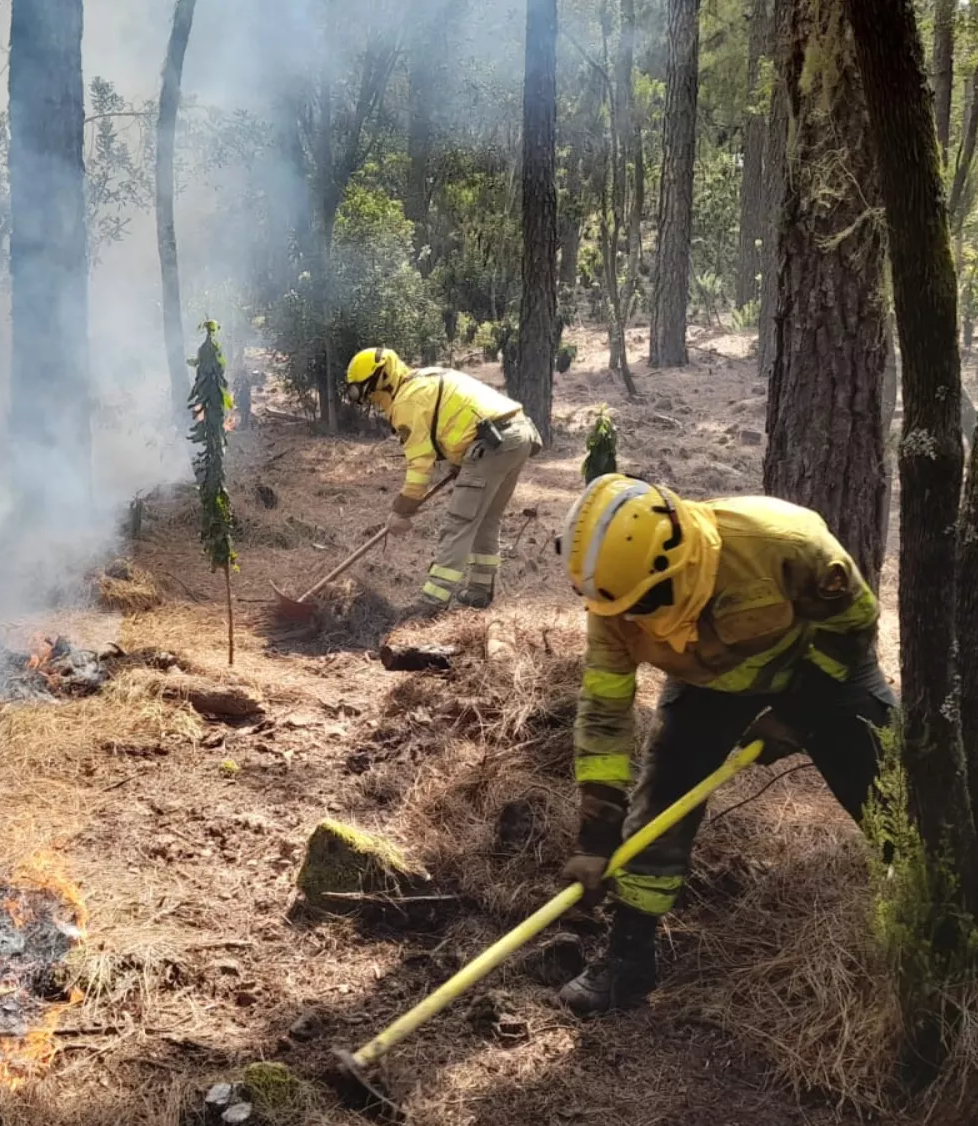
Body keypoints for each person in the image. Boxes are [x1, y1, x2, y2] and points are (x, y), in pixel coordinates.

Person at [552, 473, 894, 1014]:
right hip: (707, 685)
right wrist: (595, 841)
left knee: (895, 804)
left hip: (823, 674)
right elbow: (603, 715)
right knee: (660, 805)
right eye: (625, 610)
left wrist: (798, 713)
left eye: (648, 603)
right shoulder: (613, 607)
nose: (635, 620)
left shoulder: (786, 544)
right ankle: (629, 959)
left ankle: (938, 928)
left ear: (678, 561)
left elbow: (855, 623)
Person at [343, 347, 542, 613]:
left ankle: (431, 603)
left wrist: (401, 509)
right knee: (485, 520)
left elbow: (419, 465)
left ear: (382, 379)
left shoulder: (406, 401)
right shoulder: (425, 379)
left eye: (371, 392)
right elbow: (456, 420)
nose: (374, 401)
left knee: (458, 524)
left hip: (492, 444)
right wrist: (461, 461)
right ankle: (479, 591)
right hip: (518, 436)